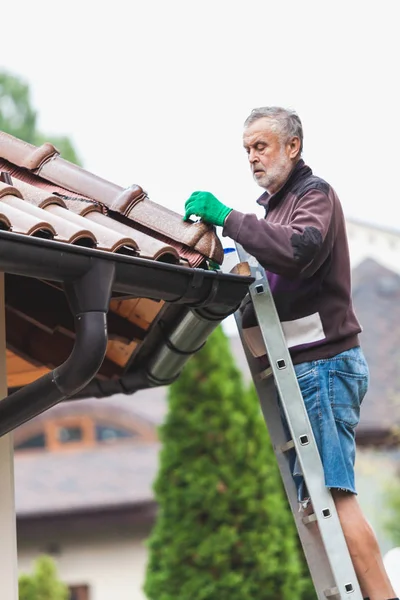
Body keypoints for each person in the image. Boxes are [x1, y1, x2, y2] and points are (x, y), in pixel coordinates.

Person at [183, 106, 397, 600]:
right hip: (301, 368)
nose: (252, 158)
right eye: (247, 150)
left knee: (336, 500)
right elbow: (269, 275)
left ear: (292, 147)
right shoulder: (273, 212)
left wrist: (229, 219)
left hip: (325, 365)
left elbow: (299, 250)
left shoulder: (313, 195)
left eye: (261, 146)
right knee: (316, 508)